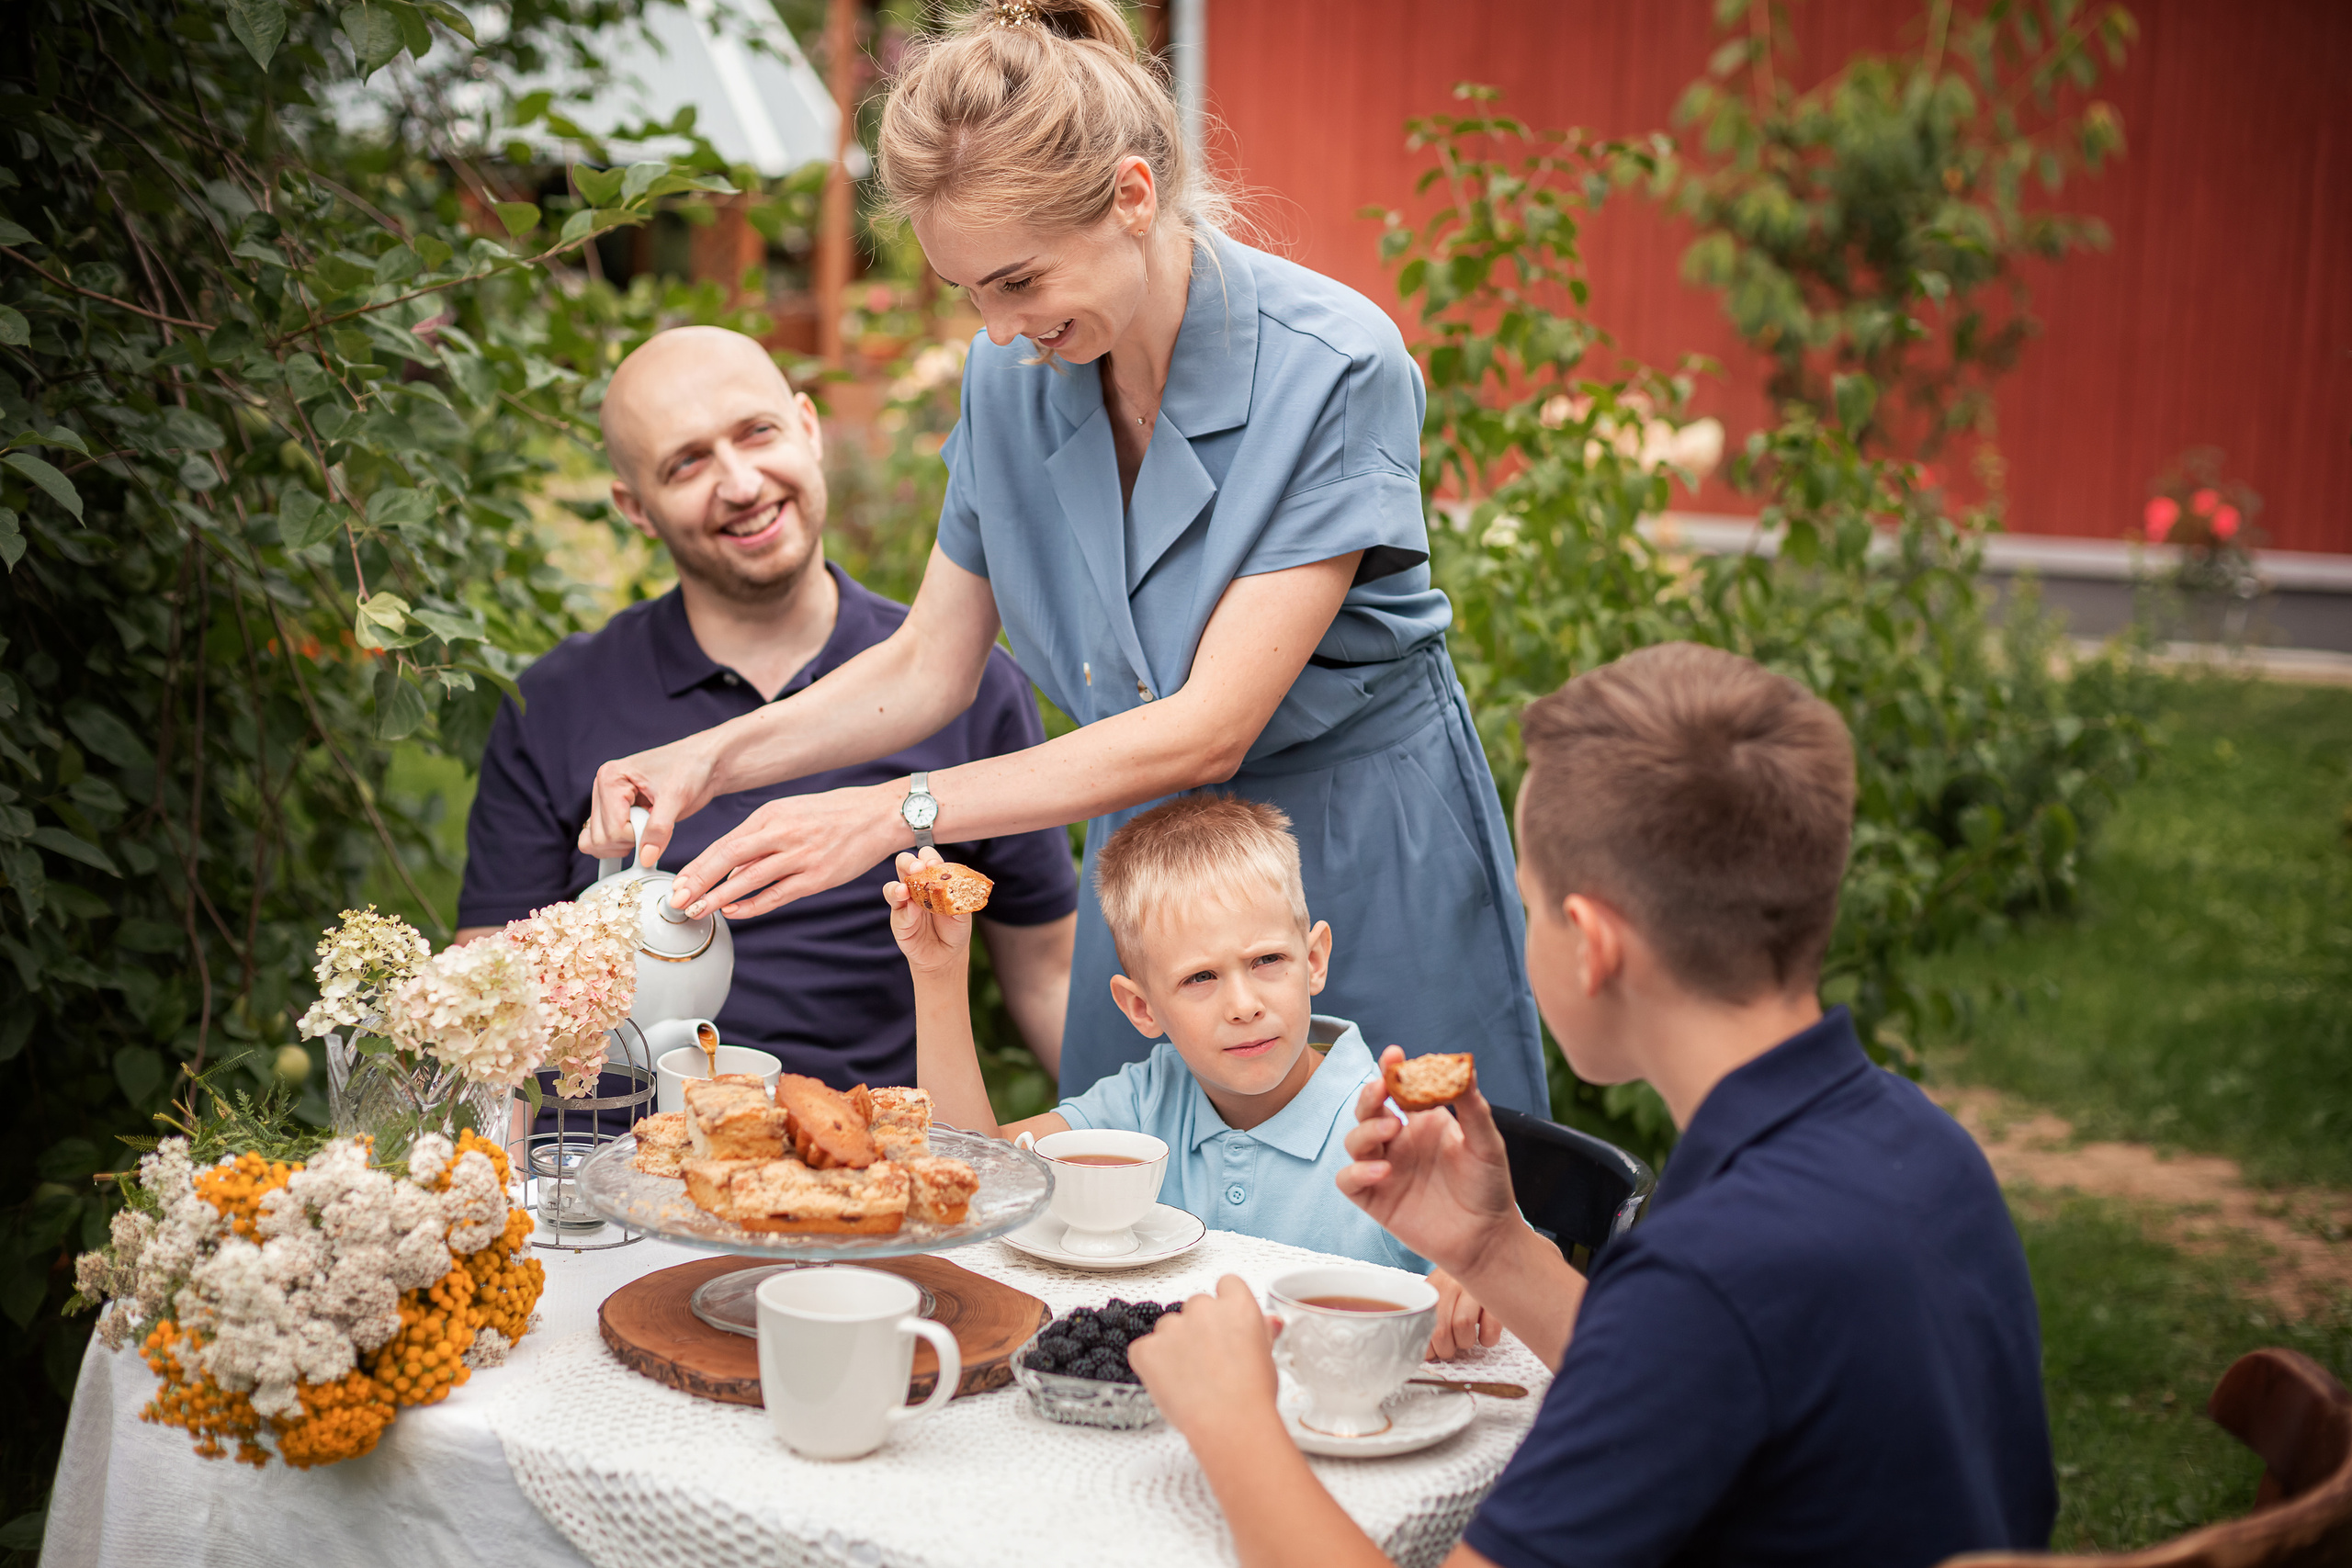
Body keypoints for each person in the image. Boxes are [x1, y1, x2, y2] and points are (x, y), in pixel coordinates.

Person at [572, 0, 1548, 1115]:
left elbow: (1208, 726)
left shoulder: (1336, 364)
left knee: (1399, 1242)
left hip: (1351, 859)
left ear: (1133, 197)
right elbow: (926, 665)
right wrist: (714, 758)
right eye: (968, 292)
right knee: (1138, 1247)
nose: (994, 330)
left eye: (1020, 281)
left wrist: (894, 813)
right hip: (1146, 868)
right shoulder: (1014, 374)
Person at [1127, 643, 2058, 1568]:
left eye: (1526, 906)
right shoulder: (1919, 1144)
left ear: (1590, 946)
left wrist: (1232, 1424)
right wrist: (1494, 1249)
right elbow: (1689, 1373)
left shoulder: (1713, 1274)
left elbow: (1694, 1328)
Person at [455, 327, 1079, 1089]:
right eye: (686, 464)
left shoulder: (968, 681)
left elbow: (1050, 976)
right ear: (635, 507)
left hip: (865, 1160)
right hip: (607, 1168)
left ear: (809, 429)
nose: (742, 484)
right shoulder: (555, 702)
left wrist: (1130, 1162)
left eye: (758, 433)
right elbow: (486, 999)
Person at [886, 796, 1425, 1276]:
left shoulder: (1397, 1135)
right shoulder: (1143, 1104)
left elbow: (1498, 1262)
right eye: (1200, 978)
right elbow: (969, 1180)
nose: (1244, 1006)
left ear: (1313, 960)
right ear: (1142, 1008)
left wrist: (1470, 1280)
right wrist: (938, 975)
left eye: (1267, 960)